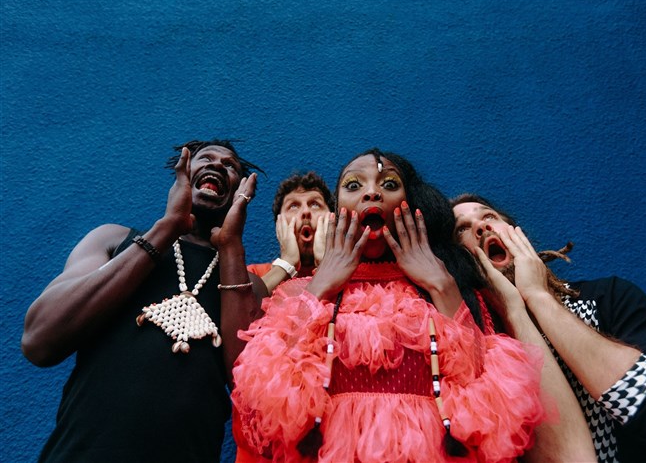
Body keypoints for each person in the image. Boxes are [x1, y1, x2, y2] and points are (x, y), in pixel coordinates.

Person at [231, 149, 590, 462]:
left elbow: (487, 407)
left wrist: (441, 285)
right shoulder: (299, 292)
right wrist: (322, 285)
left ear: (411, 204)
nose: (372, 192)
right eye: (353, 185)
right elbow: (263, 406)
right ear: (337, 212)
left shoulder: (445, 290)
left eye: (389, 183)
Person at [21, 139, 267, 463]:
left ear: (239, 193)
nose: (218, 165)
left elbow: (251, 396)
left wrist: (231, 245)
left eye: (230, 166)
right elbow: (39, 340)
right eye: (205, 158)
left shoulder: (250, 287)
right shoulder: (113, 240)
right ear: (182, 174)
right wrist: (168, 227)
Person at [452, 193, 646, 463]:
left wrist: (539, 296)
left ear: (519, 235)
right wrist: (513, 312)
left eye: (489, 215)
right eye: (462, 228)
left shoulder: (608, 298)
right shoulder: (474, 353)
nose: (481, 226)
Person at [248, 171, 334, 294]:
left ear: (332, 219)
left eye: (315, 204)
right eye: (293, 206)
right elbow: (240, 304)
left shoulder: (352, 273)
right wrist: (286, 263)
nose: (305, 211)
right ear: (279, 225)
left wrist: (325, 263)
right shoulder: (254, 275)